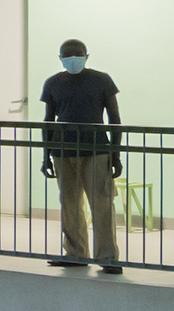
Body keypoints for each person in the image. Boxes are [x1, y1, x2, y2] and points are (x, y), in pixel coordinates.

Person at [38, 36, 123, 273]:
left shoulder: (101, 80)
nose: (72, 59)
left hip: (96, 150)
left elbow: (115, 119)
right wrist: (46, 155)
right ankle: (75, 253)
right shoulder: (53, 83)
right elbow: (48, 120)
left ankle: (108, 258)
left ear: (86, 56)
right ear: (60, 58)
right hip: (63, 150)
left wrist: (115, 155)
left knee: (102, 204)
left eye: (77, 54)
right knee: (69, 204)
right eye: (68, 55)